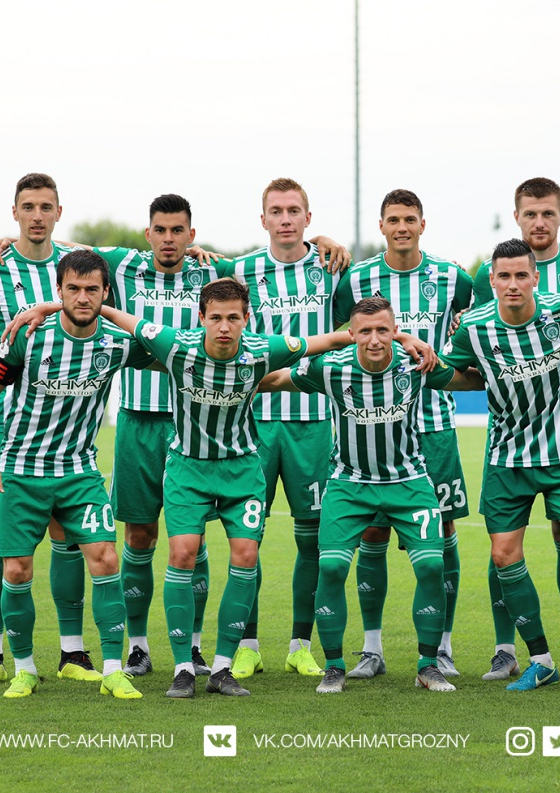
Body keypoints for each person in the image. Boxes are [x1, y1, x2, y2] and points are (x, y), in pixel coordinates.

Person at [100, 277, 358, 698]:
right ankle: (183, 667)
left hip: (241, 470)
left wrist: (399, 337)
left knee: (246, 555)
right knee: (182, 554)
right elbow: (117, 315)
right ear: (201, 317)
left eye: (233, 318)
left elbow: (326, 340)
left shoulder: (262, 349)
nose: (224, 327)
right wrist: (51, 309)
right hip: (187, 469)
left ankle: (222, 667)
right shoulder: (175, 344)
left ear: (246, 319)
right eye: (216, 317)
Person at [260, 297, 485, 693]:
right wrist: (230, 374)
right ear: (352, 334)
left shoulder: (416, 363)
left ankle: (428, 665)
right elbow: (276, 381)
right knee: (331, 567)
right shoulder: (330, 368)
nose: (375, 339)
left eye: (384, 330)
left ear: (395, 331)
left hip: (409, 482)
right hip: (349, 484)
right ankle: (334, 666)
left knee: (432, 566)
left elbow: (470, 380)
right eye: (365, 331)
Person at [0, 250, 156, 700]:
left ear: (106, 293)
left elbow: (167, 345)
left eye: (92, 289)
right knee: (16, 569)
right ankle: (25, 670)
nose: (82, 297)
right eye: (72, 289)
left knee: (106, 559)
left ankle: (112, 669)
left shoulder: (118, 344)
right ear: (59, 291)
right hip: (22, 472)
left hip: (79, 472)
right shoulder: (28, 337)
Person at [442, 238, 560, 694]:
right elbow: (453, 371)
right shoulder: (473, 327)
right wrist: (426, 362)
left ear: (535, 277)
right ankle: (540, 660)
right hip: (507, 458)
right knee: (503, 556)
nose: (512, 284)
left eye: (520, 275)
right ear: (491, 281)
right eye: (504, 276)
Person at [0, 173, 96, 688]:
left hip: (65, 433)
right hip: (5, 430)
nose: (37, 215)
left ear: (59, 211)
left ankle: (73, 651)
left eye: (46, 206)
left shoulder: (77, 262)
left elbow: (122, 281)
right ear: (14, 211)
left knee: (67, 534)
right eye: (29, 206)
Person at [470, 178, 560, 682]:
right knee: (504, 552)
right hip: (508, 447)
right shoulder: (483, 296)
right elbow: (469, 354)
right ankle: (517, 652)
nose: (539, 221)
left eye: (547, 213)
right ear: (517, 217)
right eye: (530, 213)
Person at [331, 189, 474, 680]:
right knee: (372, 531)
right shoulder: (357, 279)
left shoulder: (453, 277)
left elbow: (475, 324)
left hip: (434, 424)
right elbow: (343, 338)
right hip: (375, 427)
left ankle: (442, 647)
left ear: (422, 224)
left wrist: (445, 355)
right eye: (393, 220)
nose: (402, 228)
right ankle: (372, 649)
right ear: (381, 225)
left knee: (444, 534)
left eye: (409, 219)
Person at [226, 178, 344, 680]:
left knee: (311, 540)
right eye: (276, 211)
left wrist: (331, 244)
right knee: (245, 538)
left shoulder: (332, 269)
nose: (285, 219)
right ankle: (247, 645)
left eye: (294, 210)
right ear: (263, 220)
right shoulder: (241, 270)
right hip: (253, 422)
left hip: (312, 422)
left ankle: (300, 644)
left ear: (308, 219)